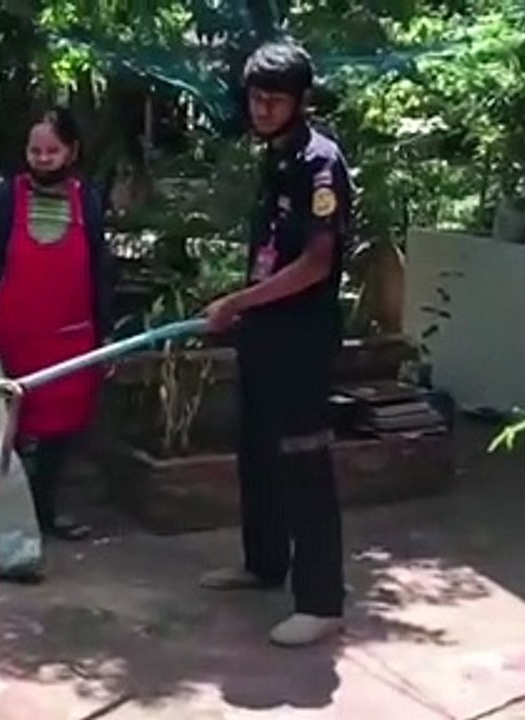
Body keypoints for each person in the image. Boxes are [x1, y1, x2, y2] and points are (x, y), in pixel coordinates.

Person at [199, 40, 353, 647]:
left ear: (301, 101)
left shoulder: (321, 165)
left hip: (301, 340)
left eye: (274, 99)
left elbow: (317, 264)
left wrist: (236, 303)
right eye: (256, 98)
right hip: (263, 333)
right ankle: (262, 564)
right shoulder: (275, 157)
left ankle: (321, 601)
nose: (261, 109)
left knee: (304, 463)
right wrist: (243, 307)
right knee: (257, 452)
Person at [0, 106, 115, 541]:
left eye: (52, 150)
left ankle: (47, 510)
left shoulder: (89, 200)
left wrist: (105, 335)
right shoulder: (7, 196)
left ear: (71, 151)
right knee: (5, 430)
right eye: (35, 151)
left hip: (72, 336)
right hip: (15, 334)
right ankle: (3, 514)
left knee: (60, 432)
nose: (43, 158)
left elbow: (100, 272)